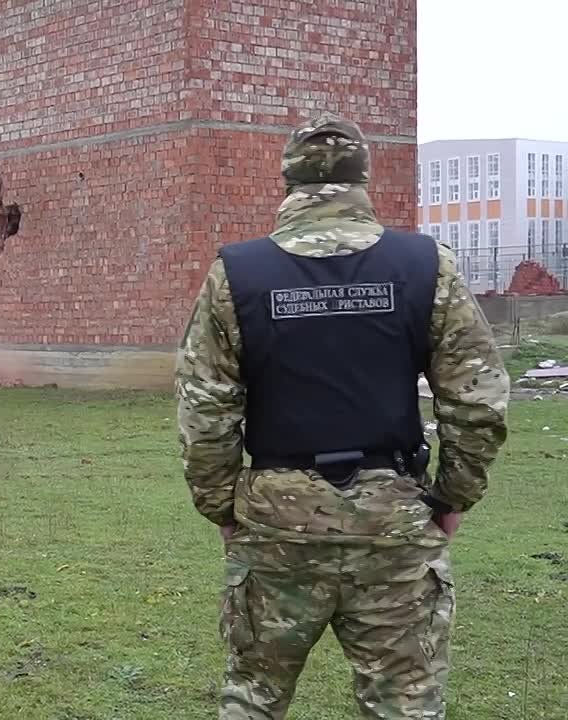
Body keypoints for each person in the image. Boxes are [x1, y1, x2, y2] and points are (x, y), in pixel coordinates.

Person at [175, 112, 510, 719]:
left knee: (253, 698)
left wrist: (222, 507)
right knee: (403, 705)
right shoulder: (424, 267)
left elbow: (205, 408)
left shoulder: (238, 276)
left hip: (276, 526)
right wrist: (453, 496)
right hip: (394, 523)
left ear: (289, 180)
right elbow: (476, 396)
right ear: (363, 178)